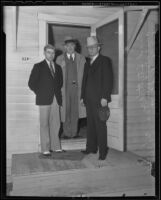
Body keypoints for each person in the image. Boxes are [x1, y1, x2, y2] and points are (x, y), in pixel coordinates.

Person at [28, 44, 65, 158]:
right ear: (44, 53)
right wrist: (41, 92)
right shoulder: (38, 66)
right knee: (44, 124)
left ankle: (56, 147)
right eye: (49, 52)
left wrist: (55, 94)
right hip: (44, 99)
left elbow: (60, 83)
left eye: (53, 53)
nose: (51, 55)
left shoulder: (58, 68)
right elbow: (31, 83)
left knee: (56, 123)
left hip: (56, 98)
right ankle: (45, 149)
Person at [80, 36, 113, 160]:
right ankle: (91, 148)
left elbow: (109, 80)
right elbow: (84, 81)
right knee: (91, 125)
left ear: (98, 47)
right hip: (88, 99)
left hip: (100, 100)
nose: (91, 49)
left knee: (100, 125)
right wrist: (82, 97)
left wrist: (105, 97)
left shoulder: (105, 60)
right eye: (89, 48)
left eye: (93, 47)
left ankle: (103, 152)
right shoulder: (87, 63)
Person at [56, 36, 86, 139]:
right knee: (66, 111)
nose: (70, 47)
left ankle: (74, 133)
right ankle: (67, 133)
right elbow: (56, 76)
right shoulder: (59, 59)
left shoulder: (81, 58)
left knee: (75, 111)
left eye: (72, 45)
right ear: (64, 47)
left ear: (75, 46)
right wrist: (61, 66)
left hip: (77, 89)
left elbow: (86, 76)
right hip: (64, 89)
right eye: (67, 45)